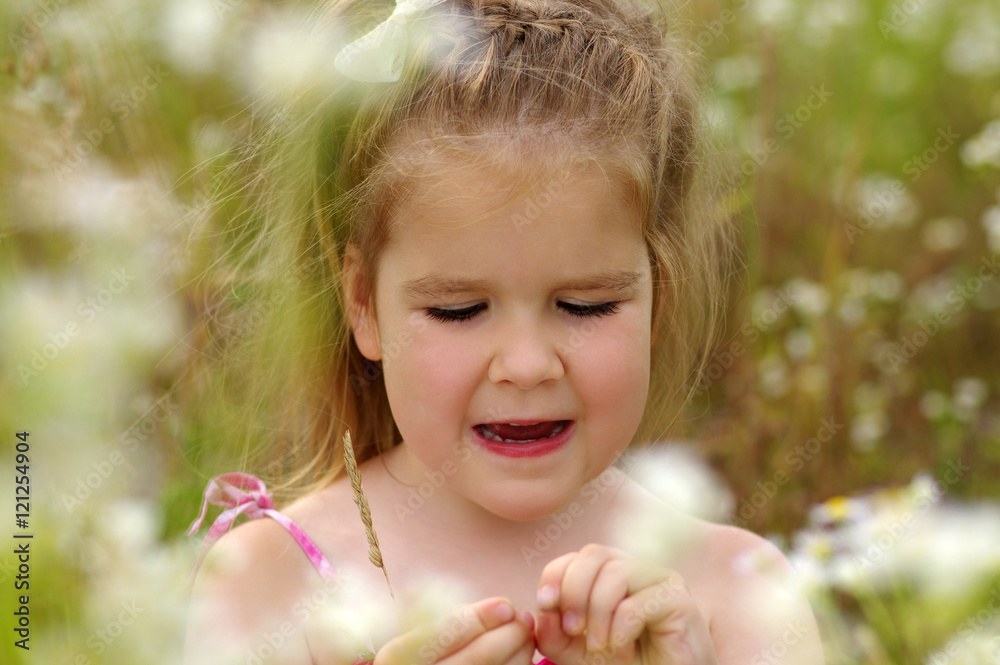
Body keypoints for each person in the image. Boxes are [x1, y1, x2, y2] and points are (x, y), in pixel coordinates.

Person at [183, 0, 825, 663]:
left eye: (586, 304)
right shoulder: (267, 583)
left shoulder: (736, 596)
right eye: (458, 311)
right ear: (364, 305)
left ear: (660, 295)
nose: (526, 364)